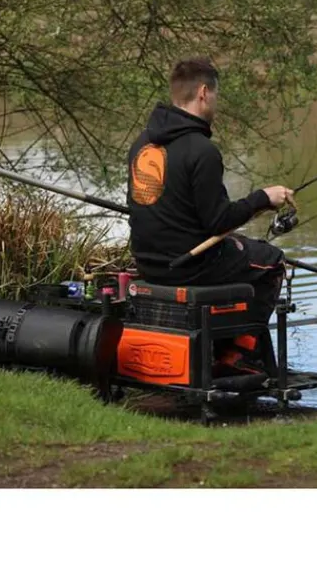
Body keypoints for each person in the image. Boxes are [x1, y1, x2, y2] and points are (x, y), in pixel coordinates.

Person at [126, 57, 294, 375]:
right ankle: (239, 354)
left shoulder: (141, 144)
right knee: (271, 261)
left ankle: (221, 344)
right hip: (189, 266)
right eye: (216, 94)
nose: (216, 102)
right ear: (204, 92)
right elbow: (219, 221)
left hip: (148, 262)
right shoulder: (201, 150)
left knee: (240, 247)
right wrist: (264, 197)